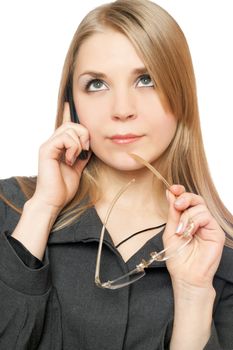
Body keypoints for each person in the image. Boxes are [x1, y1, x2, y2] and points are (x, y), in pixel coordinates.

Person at [0, 0, 233, 349]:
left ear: (181, 95)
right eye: (97, 84)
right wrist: (42, 208)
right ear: (71, 103)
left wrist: (192, 295)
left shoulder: (219, 254)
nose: (122, 110)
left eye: (146, 79)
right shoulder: (12, 209)